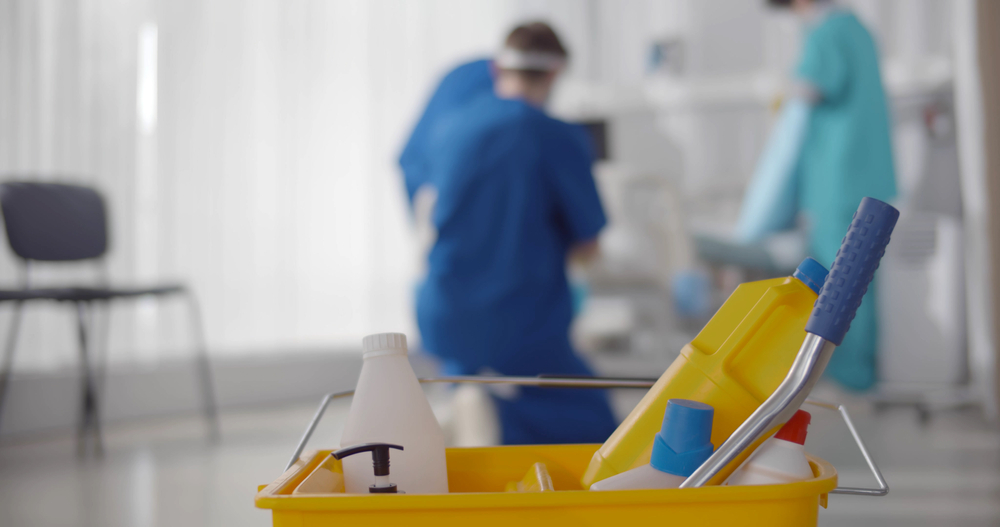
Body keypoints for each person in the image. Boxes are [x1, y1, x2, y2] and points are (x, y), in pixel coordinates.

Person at [398, 22, 618, 445]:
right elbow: (588, 243)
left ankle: (478, 413)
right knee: (600, 436)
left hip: (443, 312)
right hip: (519, 321)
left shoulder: (450, 128)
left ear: (498, 68)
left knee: (493, 405)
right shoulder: (557, 136)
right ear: (555, 74)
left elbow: (426, 202)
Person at [735, 0, 897, 390]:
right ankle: (859, 374)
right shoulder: (856, 28)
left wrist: (778, 91)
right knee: (860, 276)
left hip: (839, 178)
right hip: (865, 173)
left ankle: (849, 376)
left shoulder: (826, 33)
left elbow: (806, 95)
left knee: (839, 277)